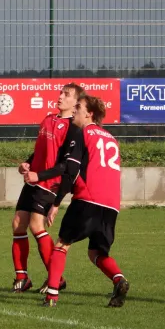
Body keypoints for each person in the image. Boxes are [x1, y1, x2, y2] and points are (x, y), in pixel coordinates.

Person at [38, 95, 129, 307]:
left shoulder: (83, 133)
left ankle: (51, 296)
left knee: (61, 244)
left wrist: (56, 202)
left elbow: (71, 169)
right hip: (112, 205)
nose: (74, 111)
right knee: (96, 252)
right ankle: (119, 279)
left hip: (88, 199)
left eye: (78, 107)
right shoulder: (110, 138)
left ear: (89, 114)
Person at [11, 82, 85, 293]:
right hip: (33, 179)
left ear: (75, 102)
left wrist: (40, 175)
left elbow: (64, 165)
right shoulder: (48, 119)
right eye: (61, 93)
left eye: (67, 94)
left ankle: (57, 278)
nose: (61, 96)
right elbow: (40, 152)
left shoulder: (73, 128)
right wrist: (27, 163)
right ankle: (21, 277)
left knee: (36, 226)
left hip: (49, 182)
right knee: (17, 224)